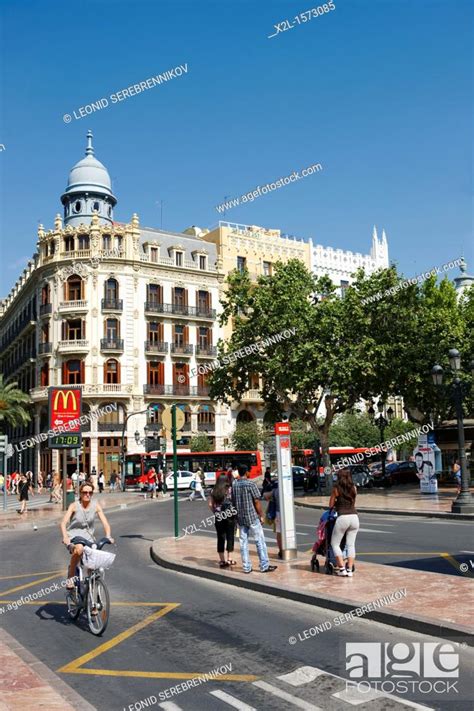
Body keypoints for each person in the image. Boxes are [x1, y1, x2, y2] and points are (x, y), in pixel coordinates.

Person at [60, 482, 114, 590]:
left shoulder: (96, 506)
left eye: (90, 492)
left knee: (93, 565)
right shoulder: (74, 506)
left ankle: (90, 599)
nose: (87, 494)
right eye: (85, 492)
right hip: (75, 535)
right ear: (80, 493)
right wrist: (65, 537)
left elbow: (106, 523)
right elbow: (63, 523)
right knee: (79, 549)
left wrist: (108, 536)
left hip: (89, 537)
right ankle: (70, 576)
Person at [232, 465, 277, 574]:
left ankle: (246, 567)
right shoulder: (250, 484)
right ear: (246, 472)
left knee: (243, 542)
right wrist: (261, 515)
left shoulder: (234, 485)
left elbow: (233, 501)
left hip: (241, 517)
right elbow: (256, 501)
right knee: (259, 541)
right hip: (252, 516)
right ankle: (264, 565)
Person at [329, 469, 360, 577]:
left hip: (343, 517)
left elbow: (331, 505)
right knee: (351, 545)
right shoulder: (354, 488)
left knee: (335, 544)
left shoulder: (336, 489)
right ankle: (350, 569)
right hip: (354, 517)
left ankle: (342, 568)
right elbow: (353, 502)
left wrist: (337, 502)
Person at [208, 474, 237, 568]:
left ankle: (222, 560)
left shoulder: (213, 491)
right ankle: (229, 558)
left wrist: (215, 512)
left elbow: (210, 504)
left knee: (220, 537)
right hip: (229, 515)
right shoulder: (230, 489)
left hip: (219, 516)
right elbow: (234, 502)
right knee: (230, 536)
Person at [264, 479, 282, 558]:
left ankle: (281, 551)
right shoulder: (286, 489)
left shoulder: (275, 491)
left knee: (279, 533)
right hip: (287, 514)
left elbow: (265, 496)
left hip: (278, 514)